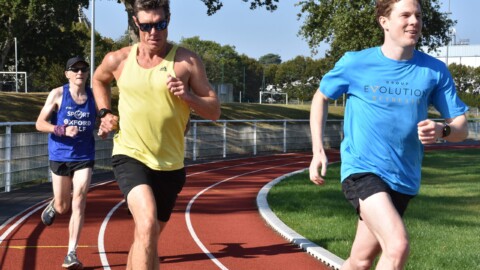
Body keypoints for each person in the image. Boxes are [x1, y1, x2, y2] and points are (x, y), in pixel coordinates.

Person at [308, 0, 469, 269]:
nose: (414, 21)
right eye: (405, 15)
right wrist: (317, 150)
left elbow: (461, 129)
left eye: (418, 15)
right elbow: (321, 96)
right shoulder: (355, 63)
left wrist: (443, 130)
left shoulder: (434, 70)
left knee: (360, 261)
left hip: (404, 177)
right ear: (384, 22)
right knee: (397, 246)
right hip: (362, 170)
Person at [92, 0, 221, 269]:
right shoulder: (119, 59)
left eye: (160, 24)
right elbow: (98, 79)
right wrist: (105, 112)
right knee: (148, 222)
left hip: (171, 165)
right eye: (148, 26)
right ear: (136, 24)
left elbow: (214, 111)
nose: (154, 32)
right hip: (130, 155)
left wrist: (187, 96)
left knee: (146, 237)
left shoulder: (186, 61)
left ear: (168, 21)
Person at [36, 56, 96, 269]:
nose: (80, 72)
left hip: (84, 156)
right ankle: (54, 204)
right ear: (67, 74)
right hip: (60, 155)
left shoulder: (93, 96)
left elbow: (104, 119)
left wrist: (107, 126)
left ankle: (71, 252)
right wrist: (60, 129)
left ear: (87, 73)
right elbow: (39, 123)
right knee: (63, 206)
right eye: (75, 69)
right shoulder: (58, 94)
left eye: (83, 69)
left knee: (79, 199)